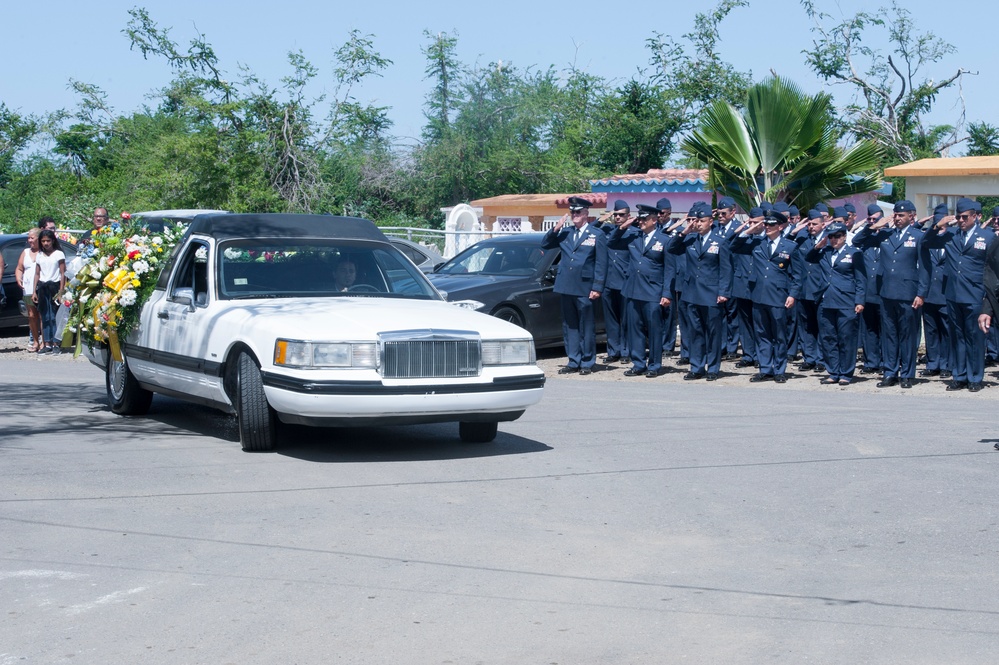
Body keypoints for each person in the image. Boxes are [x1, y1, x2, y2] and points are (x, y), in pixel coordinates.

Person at [852, 200, 928, 389]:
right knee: (890, 335)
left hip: (908, 293)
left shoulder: (918, 236)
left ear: (912, 216)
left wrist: (921, 293)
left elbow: (926, 268)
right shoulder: (885, 234)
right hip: (886, 293)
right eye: (895, 215)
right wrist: (873, 227)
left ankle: (908, 374)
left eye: (901, 215)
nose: (897, 218)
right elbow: (856, 241)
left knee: (907, 335)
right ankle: (890, 372)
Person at [924, 198, 996, 391]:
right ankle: (960, 375)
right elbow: (926, 242)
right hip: (953, 295)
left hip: (975, 294)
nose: (961, 220)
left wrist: (988, 301)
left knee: (975, 337)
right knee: (958, 336)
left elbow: (994, 271)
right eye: (958, 217)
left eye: (964, 217)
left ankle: (975, 377)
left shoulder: (987, 237)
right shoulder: (952, 235)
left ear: (975, 216)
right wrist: (937, 225)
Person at [731, 209, 802, 382]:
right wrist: (749, 230)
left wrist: (792, 295)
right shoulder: (757, 243)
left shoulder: (790, 246)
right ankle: (765, 368)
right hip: (758, 296)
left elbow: (798, 275)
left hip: (779, 296)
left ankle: (779, 370)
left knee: (779, 335)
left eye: (772, 224)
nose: (767, 227)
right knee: (762, 334)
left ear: (780, 226)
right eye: (766, 224)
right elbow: (733, 246)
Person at [541, 196, 607, 375]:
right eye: (572, 212)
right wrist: (555, 229)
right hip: (567, 285)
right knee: (569, 325)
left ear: (586, 214)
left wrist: (597, 287)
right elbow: (546, 244)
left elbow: (601, 263)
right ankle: (573, 360)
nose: (574, 215)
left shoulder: (596, 235)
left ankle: (587, 362)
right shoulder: (566, 232)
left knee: (586, 325)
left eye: (578, 212)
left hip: (585, 287)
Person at [668, 202, 732, 381]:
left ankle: (713, 367)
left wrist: (724, 291)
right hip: (692, 293)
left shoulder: (720, 241)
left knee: (713, 333)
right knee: (695, 332)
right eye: (695, 221)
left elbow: (726, 269)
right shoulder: (689, 239)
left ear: (711, 221)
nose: (698, 224)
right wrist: (684, 231)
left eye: (701, 221)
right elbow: (671, 248)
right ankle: (697, 367)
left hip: (712, 294)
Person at [608, 204, 672, 377]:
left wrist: (666, 293)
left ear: (654, 220)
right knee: (634, 329)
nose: (641, 222)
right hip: (633, 290)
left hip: (653, 291)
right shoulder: (633, 236)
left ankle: (654, 365)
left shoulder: (664, 240)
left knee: (654, 330)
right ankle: (638, 363)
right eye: (640, 218)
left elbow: (669, 269)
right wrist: (623, 227)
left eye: (644, 219)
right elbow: (611, 242)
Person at [806, 221, 866, 385]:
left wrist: (860, 301)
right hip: (827, 301)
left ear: (844, 236)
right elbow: (809, 258)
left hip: (846, 301)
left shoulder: (854, 253)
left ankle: (846, 373)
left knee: (846, 338)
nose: (834, 240)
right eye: (831, 236)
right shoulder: (825, 252)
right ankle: (833, 371)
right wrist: (818, 246)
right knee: (828, 338)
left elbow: (861, 279)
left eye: (837, 236)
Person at [793, 209, 828, 372]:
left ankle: (822, 358)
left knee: (822, 325)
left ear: (823, 224)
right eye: (809, 224)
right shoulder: (802, 238)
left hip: (820, 289)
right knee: (806, 325)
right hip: (803, 288)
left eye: (815, 224)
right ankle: (810, 357)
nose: (811, 227)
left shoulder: (830, 239)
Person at [921, 204, 951, 378]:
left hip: (946, 291)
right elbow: (923, 241)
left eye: (942, 220)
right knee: (931, 330)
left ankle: (946, 364)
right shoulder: (928, 238)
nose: (940, 224)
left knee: (946, 330)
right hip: (929, 292)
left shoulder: (953, 237)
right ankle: (933, 363)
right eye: (936, 220)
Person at [600, 200, 632, 364]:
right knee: (611, 319)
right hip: (608, 281)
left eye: (621, 215)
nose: (618, 218)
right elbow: (591, 230)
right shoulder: (606, 230)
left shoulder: (634, 232)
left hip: (625, 281)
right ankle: (614, 350)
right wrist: (602, 219)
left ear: (628, 216)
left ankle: (626, 350)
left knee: (626, 319)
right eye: (616, 215)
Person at [31, 229, 67, 354]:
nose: (46, 243)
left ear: (53, 241)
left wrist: (61, 291)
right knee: (45, 315)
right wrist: (34, 291)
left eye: (48, 241)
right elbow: (37, 273)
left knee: (55, 315)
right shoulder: (40, 255)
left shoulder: (58, 254)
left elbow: (63, 274)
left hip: (55, 286)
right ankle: (47, 343)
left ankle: (56, 342)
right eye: (43, 241)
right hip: (43, 286)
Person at [15, 229, 43, 352]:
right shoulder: (25, 252)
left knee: (42, 315)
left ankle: (45, 341)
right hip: (27, 289)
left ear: (38, 238)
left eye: (32, 238)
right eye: (29, 238)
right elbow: (19, 268)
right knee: (32, 316)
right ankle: (35, 341)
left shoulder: (44, 252)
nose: (29, 240)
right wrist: (18, 277)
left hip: (41, 288)